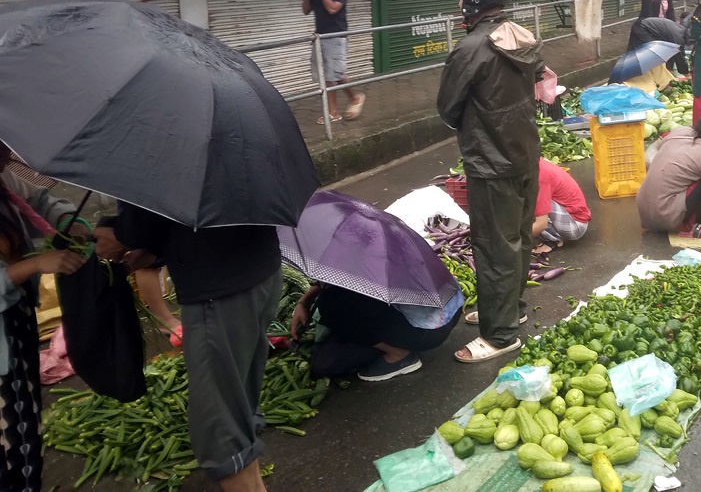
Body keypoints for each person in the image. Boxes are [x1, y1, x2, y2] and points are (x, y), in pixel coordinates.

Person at [96, 205, 282, 492]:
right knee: (237, 398)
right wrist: (158, 248)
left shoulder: (162, 159)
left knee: (220, 429)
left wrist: (120, 233)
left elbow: (155, 204)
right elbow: (196, 206)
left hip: (218, 289)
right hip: (261, 270)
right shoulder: (239, 158)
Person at [436, 0, 542, 364]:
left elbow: (448, 110)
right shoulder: (521, 35)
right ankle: (508, 310)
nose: (460, 1)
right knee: (517, 237)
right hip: (524, 154)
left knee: (494, 246)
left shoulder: (469, 49)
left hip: (490, 162)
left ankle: (500, 335)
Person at [1, 145, 87, 492]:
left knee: (25, 422)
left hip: (16, 324)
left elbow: (41, 201)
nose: (8, 154)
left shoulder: (5, 180)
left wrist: (69, 220)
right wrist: (35, 264)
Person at [292, 280, 463, 382]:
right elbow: (326, 284)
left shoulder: (341, 290)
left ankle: (398, 355)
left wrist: (310, 302)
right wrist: (303, 302)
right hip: (450, 311)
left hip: (426, 332)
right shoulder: (385, 247)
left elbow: (334, 296)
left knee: (331, 308)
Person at [302, 0, 365, 125]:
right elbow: (305, 10)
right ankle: (355, 97)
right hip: (320, 36)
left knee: (331, 77)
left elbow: (333, 9)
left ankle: (333, 114)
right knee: (333, 75)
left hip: (336, 36)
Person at [531, 158, 591, 254]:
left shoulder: (540, 177)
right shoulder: (535, 162)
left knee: (530, 202)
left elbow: (541, 224)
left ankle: (554, 240)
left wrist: (516, 240)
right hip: (567, 214)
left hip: (575, 225)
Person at [628, 0, 688, 76]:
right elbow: (679, 53)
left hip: (659, 29)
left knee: (665, 50)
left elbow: (670, 13)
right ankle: (646, 75)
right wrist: (686, 73)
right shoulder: (678, 35)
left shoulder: (677, 31)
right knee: (650, 51)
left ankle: (666, 73)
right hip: (644, 27)